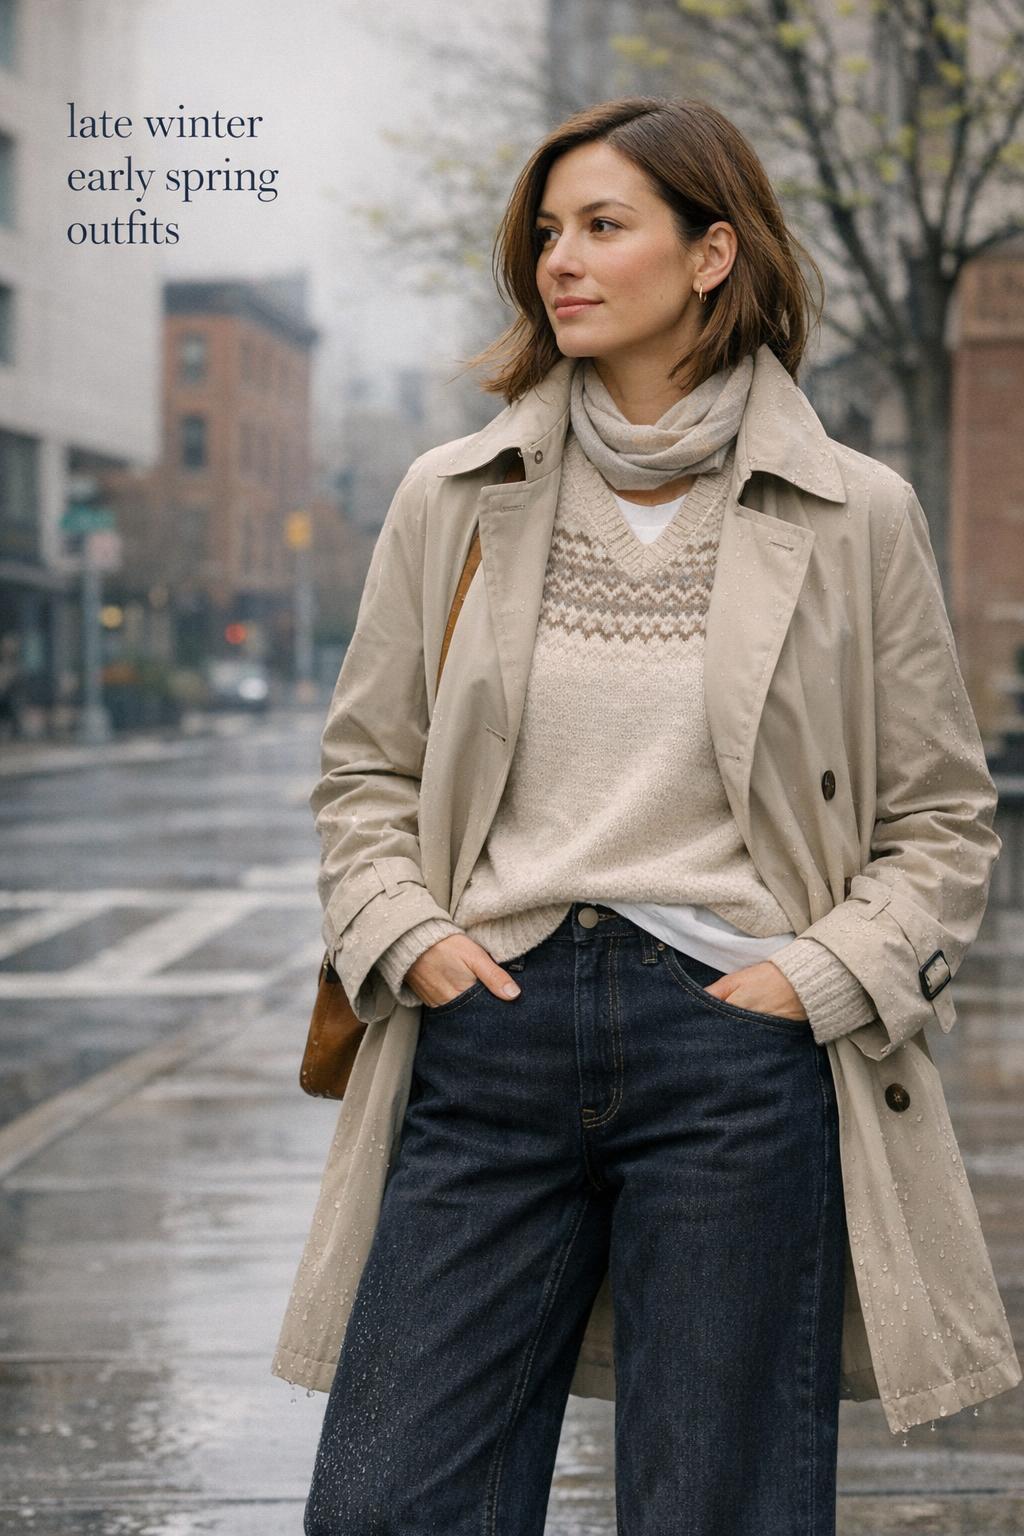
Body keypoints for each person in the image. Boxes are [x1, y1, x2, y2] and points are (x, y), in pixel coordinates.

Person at [284, 97, 1021, 1536]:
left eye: (604, 227)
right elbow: (365, 772)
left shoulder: (854, 511)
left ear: (710, 254)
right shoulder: (453, 496)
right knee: (389, 1503)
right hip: (489, 1027)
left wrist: (813, 982)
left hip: (735, 1049)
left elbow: (940, 816)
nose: (560, 259)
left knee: (720, 1505)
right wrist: (415, 942)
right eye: (548, 232)